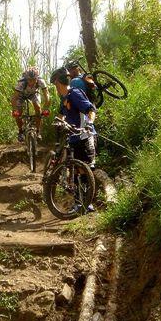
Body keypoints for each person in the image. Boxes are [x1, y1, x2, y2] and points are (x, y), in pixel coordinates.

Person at [50, 66, 97, 212]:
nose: (55, 87)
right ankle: (78, 203)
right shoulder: (64, 99)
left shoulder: (75, 93)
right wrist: (57, 122)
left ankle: (86, 204)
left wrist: (89, 124)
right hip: (74, 138)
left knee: (84, 169)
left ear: (58, 82)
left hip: (85, 136)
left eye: (55, 84)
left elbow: (91, 110)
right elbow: (61, 115)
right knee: (76, 170)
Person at [10, 67, 50, 142]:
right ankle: (20, 132)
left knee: (38, 108)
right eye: (29, 80)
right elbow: (14, 98)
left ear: (37, 78)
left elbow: (47, 95)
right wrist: (15, 110)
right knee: (18, 112)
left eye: (34, 80)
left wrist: (46, 107)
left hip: (33, 94)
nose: (32, 82)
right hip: (21, 95)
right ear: (26, 79)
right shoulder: (21, 83)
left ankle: (38, 132)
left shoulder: (41, 81)